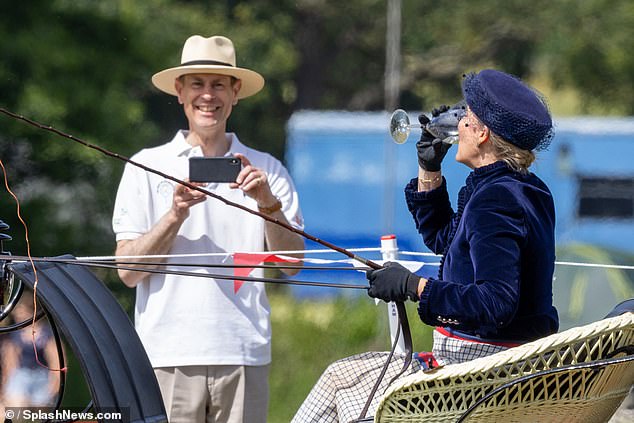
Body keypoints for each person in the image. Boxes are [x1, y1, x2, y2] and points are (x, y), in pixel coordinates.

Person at [292, 69, 559, 422]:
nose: (458, 122)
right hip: (489, 360)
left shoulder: (496, 199)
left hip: (479, 370)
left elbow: (497, 302)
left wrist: (414, 285)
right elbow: (447, 241)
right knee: (338, 379)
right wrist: (428, 169)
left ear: (482, 134)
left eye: (467, 117)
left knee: (350, 401)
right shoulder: (520, 188)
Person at [112, 35, 304, 423]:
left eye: (218, 85)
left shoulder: (267, 169)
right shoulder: (145, 165)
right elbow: (127, 272)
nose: (207, 96)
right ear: (180, 92)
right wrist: (174, 215)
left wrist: (267, 202)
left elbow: (293, 263)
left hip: (243, 353)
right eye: (197, 84)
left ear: (236, 93)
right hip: (167, 355)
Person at [1, 294, 60, 407]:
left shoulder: (46, 332)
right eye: (18, 314)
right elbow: (10, 360)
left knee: (40, 412)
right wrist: (6, 382)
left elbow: (55, 359)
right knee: (16, 407)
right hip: (21, 375)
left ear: (32, 313)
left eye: (22, 313)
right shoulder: (16, 333)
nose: (19, 317)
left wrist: (55, 382)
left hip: (41, 376)